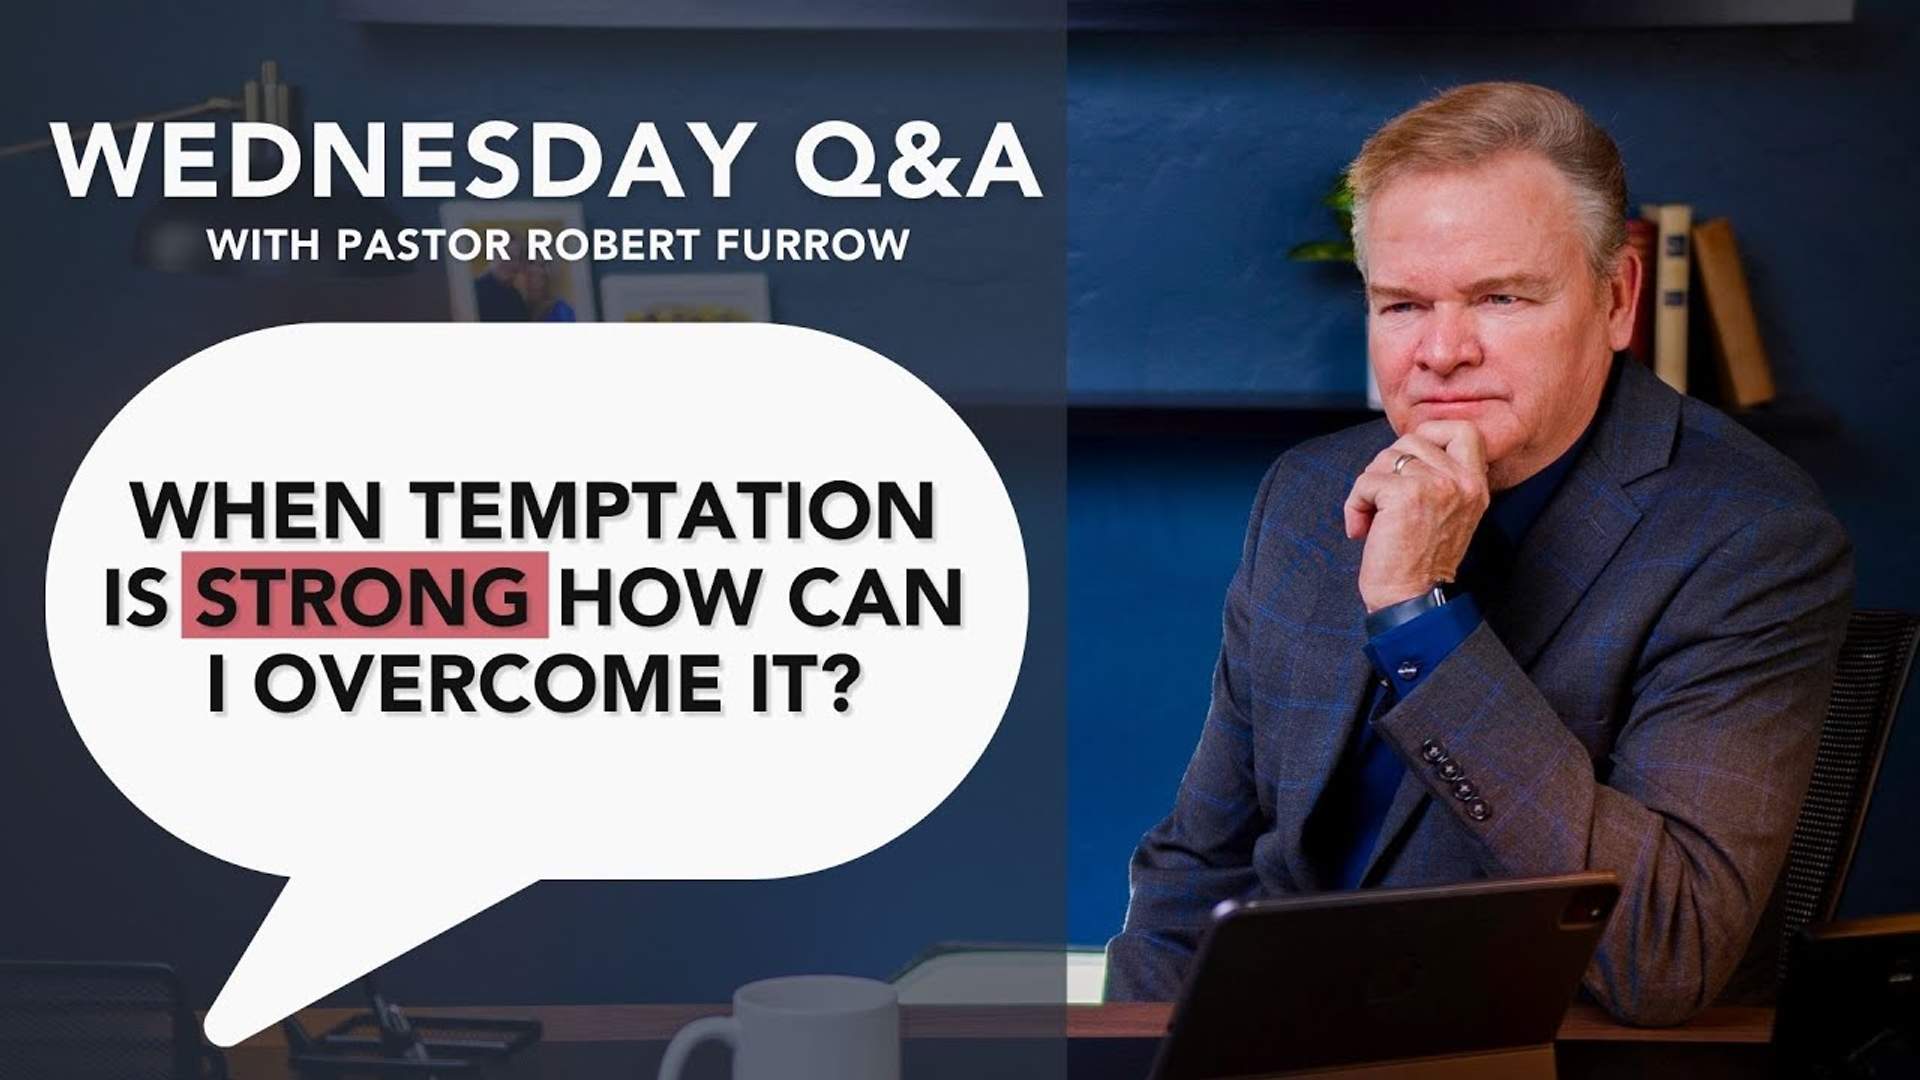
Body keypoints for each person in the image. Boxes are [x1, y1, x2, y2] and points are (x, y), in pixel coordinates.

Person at [1103, 82, 1853, 1026]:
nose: (1441, 351)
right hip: (1276, 1040)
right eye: (1403, 304)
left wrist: (1419, 612)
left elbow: (1667, 949)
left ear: (1618, 298)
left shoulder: (1751, 537)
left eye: (1500, 297)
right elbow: (1195, 868)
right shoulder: (1306, 494)